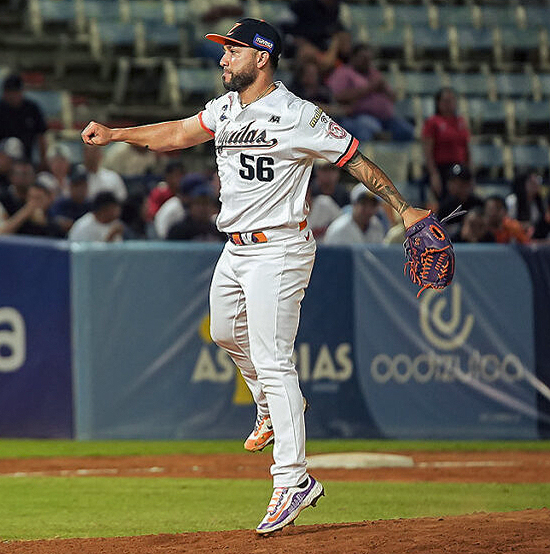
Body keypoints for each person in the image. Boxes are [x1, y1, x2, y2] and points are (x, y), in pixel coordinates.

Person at [80, 17, 428, 534]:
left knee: (273, 357)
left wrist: (404, 208)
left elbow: (355, 160)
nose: (222, 58)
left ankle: (293, 479)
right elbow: (176, 133)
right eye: (224, 50)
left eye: (232, 50)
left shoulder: (298, 115)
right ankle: (269, 404)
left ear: (261, 57)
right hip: (236, 248)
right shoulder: (224, 109)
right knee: (223, 331)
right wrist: (116, 133)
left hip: (281, 247)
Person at [327, 43, 413, 142]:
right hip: (358, 116)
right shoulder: (344, 72)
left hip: (387, 118)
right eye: (363, 58)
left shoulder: (374, 73)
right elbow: (338, 96)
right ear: (353, 58)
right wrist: (369, 88)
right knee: (372, 129)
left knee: (407, 131)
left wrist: (385, 89)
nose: (367, 62)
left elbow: (393, 98)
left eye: (369, 59)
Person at [0, 74, 47, 163]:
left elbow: (41, 137)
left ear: (22, 91)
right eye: (9, 92)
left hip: (25, 159)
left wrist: (43, 161)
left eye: (15, 92)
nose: (12, 95)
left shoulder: (32, 109)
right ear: (4, 92)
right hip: (0, 159)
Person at [421, 88, 470, 201]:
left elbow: (466, 148)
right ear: (438, 103)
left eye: (452, 100)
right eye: (446, 101)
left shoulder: (461, 121)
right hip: (441, 168)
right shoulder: (433, 122)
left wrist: (469, 170)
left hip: (459, 166)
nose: (449, 104)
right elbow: (428, 151)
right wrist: (433, 174)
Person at [436, 164, 483, 237]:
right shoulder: (445, 205)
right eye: (453, 182)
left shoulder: (478, 203)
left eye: (462, 183)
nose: (457, 186)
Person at [507, 171, 550, 241]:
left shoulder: (540, 202)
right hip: (516, 238)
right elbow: (508, 222)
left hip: (535, 238)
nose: (536, 185)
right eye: (531, 183)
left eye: (537, 182)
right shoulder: (512, 200)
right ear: (523, 184)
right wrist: (525, 225)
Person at [49, 167, 92, 234]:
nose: (79, 189)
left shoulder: (91, 205)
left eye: (82, 185)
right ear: (70, 187)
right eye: (76, 185)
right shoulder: (60, 203)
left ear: (87, 186)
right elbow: (53, 220)